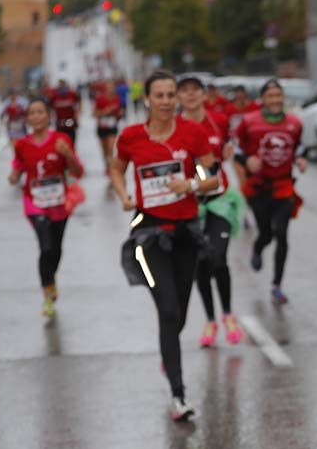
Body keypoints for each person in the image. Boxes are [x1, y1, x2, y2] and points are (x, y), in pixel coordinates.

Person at [109, 69, 220, 422]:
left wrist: (191, 184)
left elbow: (213, 177)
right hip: (149, 233)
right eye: (160, 95)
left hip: (186, 231)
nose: (167, 101)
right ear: (148, 100)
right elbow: (116, 168)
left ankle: (166, 350)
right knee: (168, 310)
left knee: (180, 315)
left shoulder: (194, 133)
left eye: (171, 95)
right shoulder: (130, 137)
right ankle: (178, 396)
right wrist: (124, 193)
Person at [176, 75, 245, 346]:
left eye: (196, 90)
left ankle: (227, 314)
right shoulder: (174, 126)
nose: (191, 95)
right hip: (190, 204)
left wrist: (232, 151)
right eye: (185, 90)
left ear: (205, 95)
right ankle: (210, 320)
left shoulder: (219, 121)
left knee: (217, 257)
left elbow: (233, 145)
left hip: (219, 200)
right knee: (199, 263)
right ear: (178, 96)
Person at [8, 98, 84, 316]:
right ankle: (47, 294)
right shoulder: (22, 144)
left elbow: (78, 172)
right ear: (27, 118)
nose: (36, 117)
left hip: (59, 203)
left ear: (48, 115)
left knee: (56, 249)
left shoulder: (61, 139)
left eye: (40, 112)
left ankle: (50, 279)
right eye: (32, 113)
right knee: (46, 246)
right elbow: (17, 167)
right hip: (34, 203)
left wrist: (68, 155)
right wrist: (13, 176)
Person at [236, 80, 306, 304]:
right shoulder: (249, 122)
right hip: (259, 188)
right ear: (263, 99)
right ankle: (257, 249)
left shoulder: (294, 123)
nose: (275, 100)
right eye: (271, 96)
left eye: (279, 95)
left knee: (282, 233)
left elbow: (299, 146)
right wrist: (247, 161)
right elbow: (235, 149)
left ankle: (277, 285)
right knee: (266, 233)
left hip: (283, 187)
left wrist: (301, 159)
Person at [94, 80, 124, 169]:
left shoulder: (117, 99)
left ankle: (110, 168)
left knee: (111, 149)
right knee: (105, 150)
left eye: (112, 87)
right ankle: (106, 164)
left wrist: (119, 115)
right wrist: (106, 111)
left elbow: (119, 113)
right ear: (105, 88)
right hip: (102, 127)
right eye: (109, 87)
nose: (111, 89)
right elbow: (94, 114)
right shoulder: (100, 99)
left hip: (112, 127)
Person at [49, 79, 81, 145]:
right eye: (60, 84)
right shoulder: (54, 95)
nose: (61, 86)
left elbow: (79, 101)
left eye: (63, 84)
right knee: (61, 140)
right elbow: (49, 106)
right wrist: (51, 116)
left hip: (70, 120)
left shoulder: (71, 93)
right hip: (60, 121)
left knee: (71, 140)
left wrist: (78, 112)